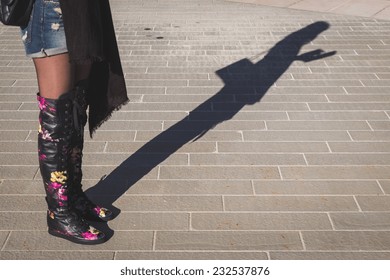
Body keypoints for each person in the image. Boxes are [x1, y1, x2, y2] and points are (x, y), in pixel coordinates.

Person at [19, 0, 128, 244]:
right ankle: (59, 212)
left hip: (82, 11)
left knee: (75, 106)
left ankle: (73, 197)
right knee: (57, 113)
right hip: (50, 10)